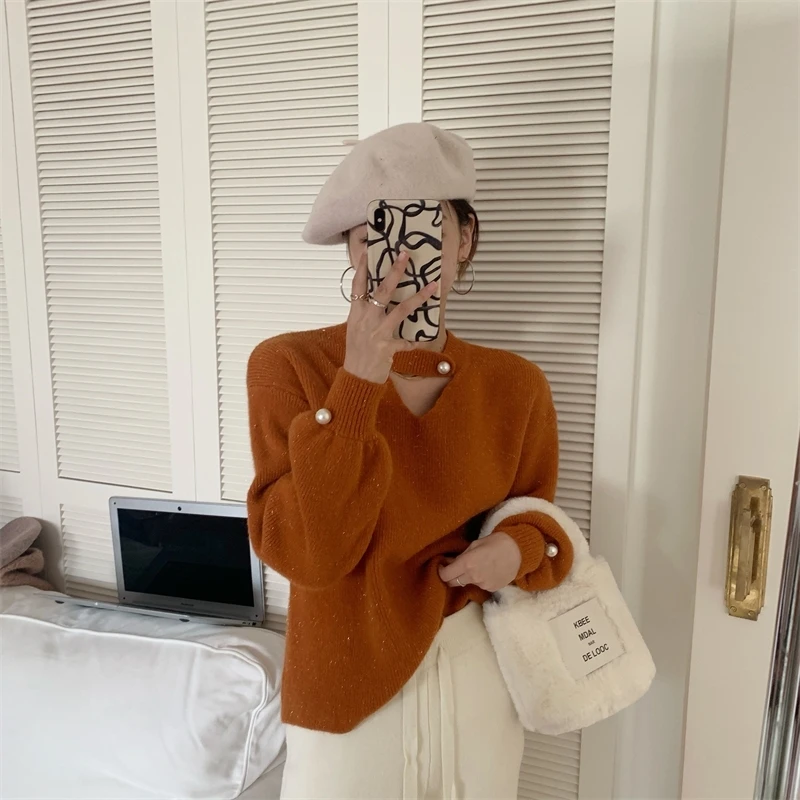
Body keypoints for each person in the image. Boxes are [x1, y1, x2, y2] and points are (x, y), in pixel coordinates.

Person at [246, 122, 574, 800]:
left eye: (420, 228)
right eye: (373, 233)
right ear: (351, 250)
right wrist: (357, 384)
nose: (396, 256)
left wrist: (515, 551)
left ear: (463, 240)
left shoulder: (516, 385)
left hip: (477, 678)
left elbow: (539, 522)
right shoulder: (288, 366)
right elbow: (310, 554)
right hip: (344, 687)